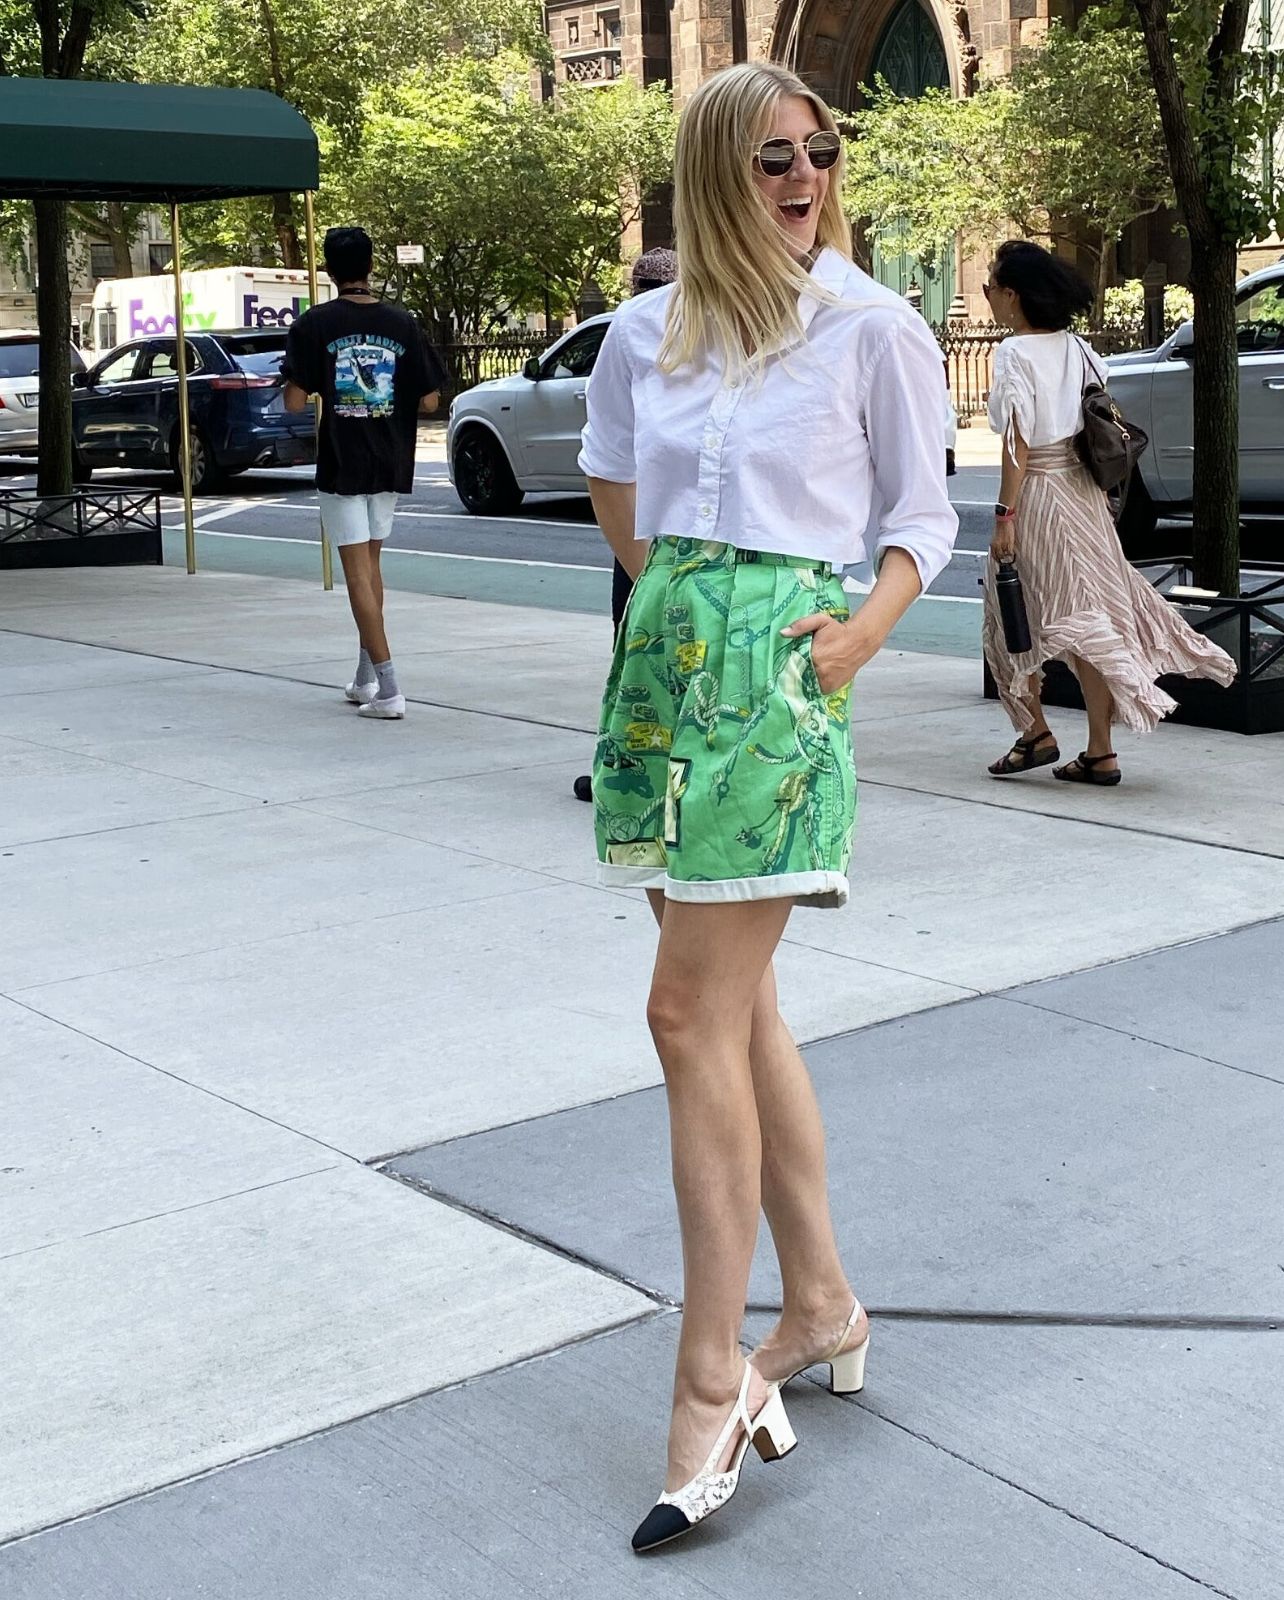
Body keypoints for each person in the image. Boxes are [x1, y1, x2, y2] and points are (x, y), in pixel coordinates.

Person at [577, 63, 957, 1552]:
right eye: (769, 160)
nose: (804, 177)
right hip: (668, 671)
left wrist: (854, 638)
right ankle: (821, 1303)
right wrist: (681, 596)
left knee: (685, 1014)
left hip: (785, 687)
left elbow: (921, 519)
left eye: (820, 151)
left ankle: (706, 1376)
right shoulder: (640, 335)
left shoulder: (873, 326)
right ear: (711, 177)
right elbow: (616, 488)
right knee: (738, 1012)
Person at [982, 240, 1234, 783]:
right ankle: (1099, 749)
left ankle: (1036, 732)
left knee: (1016, 615)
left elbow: (1016, 445)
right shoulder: (1079, 349)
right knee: (1088, 617)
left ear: (1013, 296)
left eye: (992, 287)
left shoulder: (1014, 354)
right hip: (1085, 498)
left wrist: (1006, 515)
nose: (989, 297)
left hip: (1040, 498)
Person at [283, 226, 445, 720]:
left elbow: (293, 402)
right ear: (371, 266)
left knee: (356, 572)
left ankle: (391, 687)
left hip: (342, 459)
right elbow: (431, 398)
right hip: (391, 457)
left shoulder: (314, 325)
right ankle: (364, 678)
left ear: (328, 270)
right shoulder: (403, 324)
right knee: (371, 569)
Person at [573, 247, 680, 804]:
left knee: (634, 646)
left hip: (656, 528)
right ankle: (634, 755)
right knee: (636, 646)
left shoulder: (655, 339)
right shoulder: (638, 338)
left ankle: (641, 757)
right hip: (645, 526)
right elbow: (608, 456)